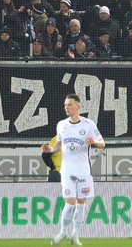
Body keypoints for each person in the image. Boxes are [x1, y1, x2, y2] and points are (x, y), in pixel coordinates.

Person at [42, 94, 105, 246]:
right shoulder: (61, 125)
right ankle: (63, 232)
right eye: (65, 105)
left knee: (81, 203)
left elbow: (102, 143)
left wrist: (94, 141)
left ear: (78, 106)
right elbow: (58, 145)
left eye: (69, 104)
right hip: (67, 171)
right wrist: (49, 149)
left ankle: (75, 236)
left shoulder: (88, 124)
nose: (67, 107)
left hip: (83, 170)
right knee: (70, 203)